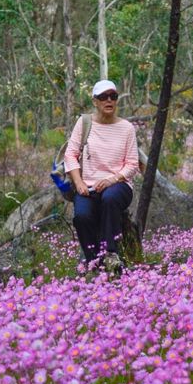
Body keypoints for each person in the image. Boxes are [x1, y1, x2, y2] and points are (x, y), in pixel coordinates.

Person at [64, 80, 140, 272]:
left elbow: (132, 164)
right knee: (81, 216)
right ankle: (94, 261)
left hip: (119, 185)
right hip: (88, 186)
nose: (109, 101)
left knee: (109, 198)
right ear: (95, 101)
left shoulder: (127, 128)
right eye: (103, 97)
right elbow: (70, 155)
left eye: (113, 97)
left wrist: (112, 180)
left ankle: (110, 253)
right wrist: (78, 182)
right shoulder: (84, 123)